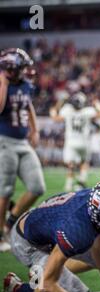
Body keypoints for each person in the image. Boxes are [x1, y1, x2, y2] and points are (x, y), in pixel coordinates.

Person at [2, 179, 100, 292]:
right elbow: (49, 287)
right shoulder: (77, 231)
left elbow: (98, 250)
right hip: (28, 244)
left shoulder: (94, 203)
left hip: (44, 228)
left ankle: (43, 271)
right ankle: (15, 286)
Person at [0, 48, 45, 252]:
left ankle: (9, 223)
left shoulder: (26, 85)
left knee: (37, 187)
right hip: (5, 140)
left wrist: (34, 129)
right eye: (21, 68)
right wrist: (3, 84)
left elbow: (28, 106)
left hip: (22, 142)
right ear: (10, 69)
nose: (25, 72)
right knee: (5, 190)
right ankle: (1, 234)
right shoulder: (3, 82)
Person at [50, 92, 100, 191]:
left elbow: (55, 117)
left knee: (70, 164)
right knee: (84, 162)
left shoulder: (67, 110)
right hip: (84, 141)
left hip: (71, 142)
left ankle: (69, 184)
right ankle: (81, 181)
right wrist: (98, 104)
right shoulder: (88, 111)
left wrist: (57, 105)